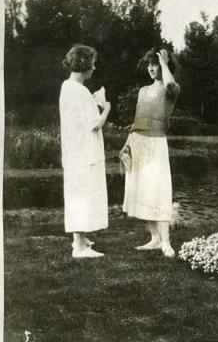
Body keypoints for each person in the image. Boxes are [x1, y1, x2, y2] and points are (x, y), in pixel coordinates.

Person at [120, 48, 180, 258]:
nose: (151, 68)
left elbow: (171, 84)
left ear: (164, 65)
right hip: (138, 141)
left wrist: (165, 63)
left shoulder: (169, 88)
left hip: (156, 143)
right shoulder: (142, 91)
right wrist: (127, 144)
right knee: (143, 190)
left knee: (159, 190)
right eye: (149, 64)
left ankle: (166, 242)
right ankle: (154, 238)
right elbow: (136, 121)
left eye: (154, 64)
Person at [59, 44, 111, 258]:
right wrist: (106, 106)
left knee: (78, 193)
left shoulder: (67, 87)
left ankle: (79, 239)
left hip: (76, 152)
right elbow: (95, 124)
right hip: (84, 153)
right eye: (93, 63)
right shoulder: (79, 91)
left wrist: (93, 101)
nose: (95, 67)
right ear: (85, 64)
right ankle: (79, 246)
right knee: (82, 195)